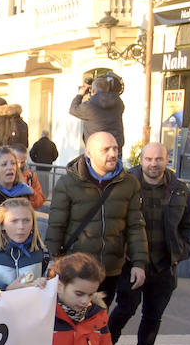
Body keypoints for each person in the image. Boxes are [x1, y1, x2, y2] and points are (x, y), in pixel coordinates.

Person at [107, 142, 190, 345]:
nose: (153, 164)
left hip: (164, 265)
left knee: (153, 315)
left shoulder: (179, 190)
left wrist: (181, 251)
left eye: (158, 159)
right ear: (142, 160)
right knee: (126, 308)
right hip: (131, 263)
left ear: (167, 160)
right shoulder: (126, 185)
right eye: (148, 159)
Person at [45, 131, 147, 310]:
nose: (113, 153)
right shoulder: (68, 183)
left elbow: (135, 227)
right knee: (71, 318)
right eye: (106, 149)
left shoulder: (129, 183)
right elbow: (56, 225)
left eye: (115, 148)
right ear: (89, 153)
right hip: (76, 269)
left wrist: (139, 263)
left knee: (98, 320)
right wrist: (54, 262)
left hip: (111, 269)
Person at [0, 198, 48, 290]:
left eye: (26, 220)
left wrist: (44, 283)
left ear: (33, 223)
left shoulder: (42, 251)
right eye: (14, 221)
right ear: (2, 224)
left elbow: (53, 286)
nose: (21, 227)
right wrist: (6, 289)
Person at [69, 70, 126, 149]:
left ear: (93, 91)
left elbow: (73, 109)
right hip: (115, 148)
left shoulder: (89, 106)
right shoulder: (119, 103)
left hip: (96, 149)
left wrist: (80, 94)